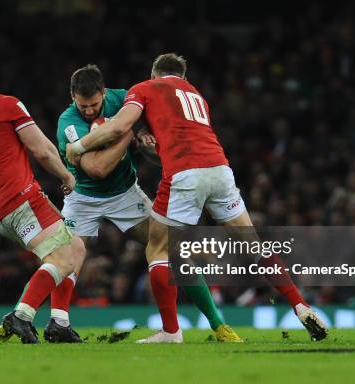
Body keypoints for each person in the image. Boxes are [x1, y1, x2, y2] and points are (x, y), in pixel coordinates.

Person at [66, 53, 328, 343]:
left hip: (185, 175)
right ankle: (301, 306)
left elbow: (116, 127)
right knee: (253, 245)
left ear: (155, 75)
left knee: (158, 250)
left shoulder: (145, 88)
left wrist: (78, 146)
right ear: (183, 78)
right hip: (220, 170)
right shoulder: (196, 95)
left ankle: (170, 331)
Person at [58, 64, 241, 343]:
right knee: (64, 257)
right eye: (83, 106)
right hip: (83, 197)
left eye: (94, 104)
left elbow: (156, 141)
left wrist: (143, 137)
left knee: (174, 253)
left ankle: (218, 325)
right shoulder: (68, 122)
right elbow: (97, 169)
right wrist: (128, 135)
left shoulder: (124, 99)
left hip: (125, 194)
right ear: (72, 98)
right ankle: (51, 321)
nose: (89, 111)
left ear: (104, 93)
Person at [0, 60, 86, 344]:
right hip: (22, 198)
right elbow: (42, 150)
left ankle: (59, 322)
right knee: (62, 257)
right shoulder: (5, 105)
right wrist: (66, 176)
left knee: (76, 248)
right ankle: (20, 316)